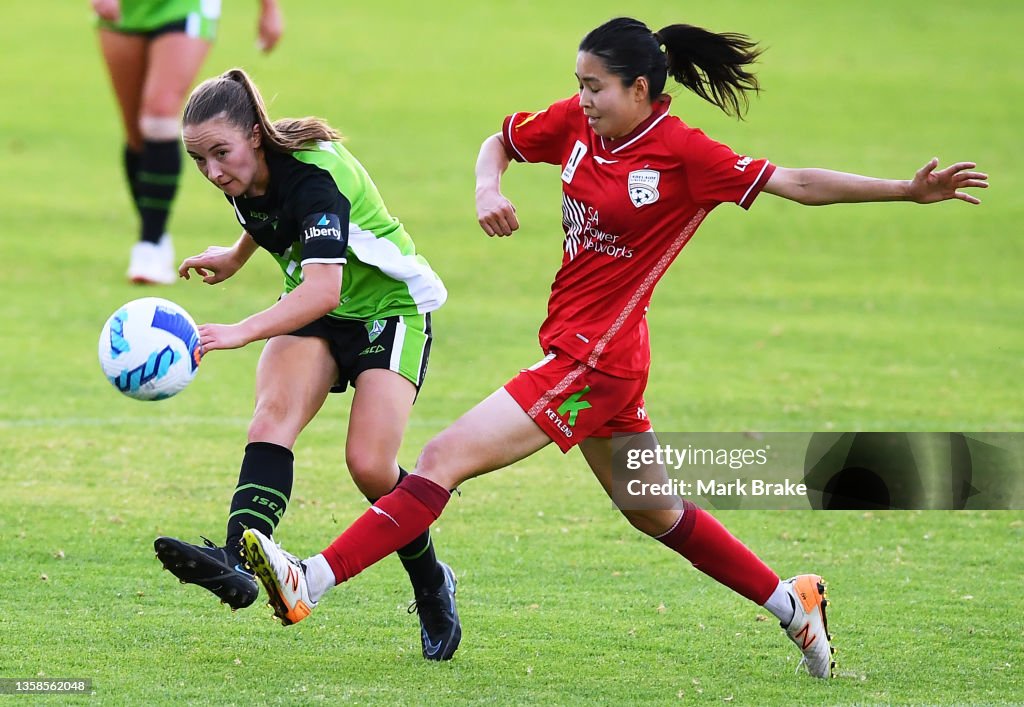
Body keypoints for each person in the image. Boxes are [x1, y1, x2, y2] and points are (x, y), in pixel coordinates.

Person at [239, 17, 988, 678]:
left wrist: (903, 189)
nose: (583, 97)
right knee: (654, 509)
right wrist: (485, 189)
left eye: (595, 86)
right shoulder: (581, 124)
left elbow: (793, 180)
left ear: (641, 88)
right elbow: (497, 140)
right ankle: (792, 601)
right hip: (600, 357)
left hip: (590, 361)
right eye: (578, 84)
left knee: (440, 460)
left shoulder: (686, 155)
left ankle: (312, 578)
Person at [153, 68, 462, 661]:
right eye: (199, 160)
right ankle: (237, 561)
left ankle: (431, 581)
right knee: (271, 417)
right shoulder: (243, 172)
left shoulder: (315, 177)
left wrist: (242, 330)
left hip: (387, 309)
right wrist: (237, 255)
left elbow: (322, 286)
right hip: (316, 305)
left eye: (221, 153)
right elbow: (267, 213)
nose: (215, 172)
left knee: (371, 467)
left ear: (255, 135)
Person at [91, 0, 284, 285]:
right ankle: (153, 231)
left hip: (184, 6)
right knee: (137, 134)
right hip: (126, 9)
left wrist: (269, 9)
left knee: (158, 114)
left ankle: (150, 243)